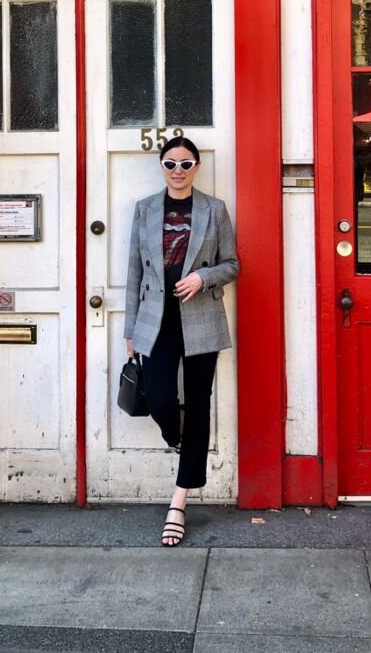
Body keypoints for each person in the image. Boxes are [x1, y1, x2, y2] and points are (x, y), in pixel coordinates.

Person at [124, 137, 239, 547]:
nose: (178, 170)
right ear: (161, 165)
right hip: (156, 322)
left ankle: (179, 501)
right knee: (158, 398)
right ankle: (178, 435)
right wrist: (130, 331)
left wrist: (202, 277)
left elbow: (232, 264)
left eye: (186, 163)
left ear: (196, 167)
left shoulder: (215, 209)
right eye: (170, 163)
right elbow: (134, 273)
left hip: (201, 319)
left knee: (199, 401)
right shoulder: (145, 209)